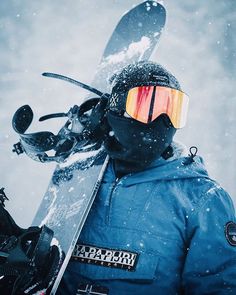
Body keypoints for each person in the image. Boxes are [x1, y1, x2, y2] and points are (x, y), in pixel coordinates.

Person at [56, 61, 236, 294]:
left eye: (172, 110)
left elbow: (219, 287)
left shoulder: (202, 199)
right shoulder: (80, 176)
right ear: (116, 109)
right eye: (147, 106)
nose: (161, 121)